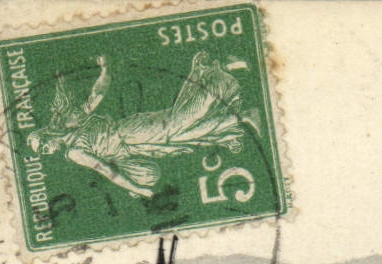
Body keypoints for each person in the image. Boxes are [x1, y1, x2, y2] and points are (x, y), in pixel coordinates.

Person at [28, 52, 262, 199]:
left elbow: (107, 170)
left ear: (47, 135)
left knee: (179, 122)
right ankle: (241, 116)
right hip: (133, 148)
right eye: (43, 152)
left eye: (43, 146)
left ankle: (218, 72)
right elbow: (97, 97)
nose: (47, 151)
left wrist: (138, 190)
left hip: (129, 132)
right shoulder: (73, 129)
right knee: (183, 135)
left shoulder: (75, 148)